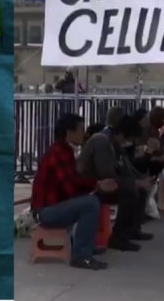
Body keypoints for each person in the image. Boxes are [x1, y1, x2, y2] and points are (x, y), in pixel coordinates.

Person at [31, 113, 118, 270]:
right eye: (80, 130)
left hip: (52, 207)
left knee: (92, 200)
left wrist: (96, 186)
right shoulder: (58, 153)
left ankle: (85, 248)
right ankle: (82, 256)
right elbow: (69, 187)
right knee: (90, 203)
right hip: (45, 211)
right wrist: (97, 185)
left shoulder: (64, 151)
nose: (84, 134)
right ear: (68, 133)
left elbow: (72, 185)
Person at [79, 113, 154, 251]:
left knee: (140, 190)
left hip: (103, 183)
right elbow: (107, 175)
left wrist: (140, 179)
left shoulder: (114, 142)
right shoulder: (102, 142)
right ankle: (118, 238)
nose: (131, 143)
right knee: (129, 193)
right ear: (123, 134)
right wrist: (134, 183)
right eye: (131, 139)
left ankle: (132, 229)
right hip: (90, 186)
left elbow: (126, 167)